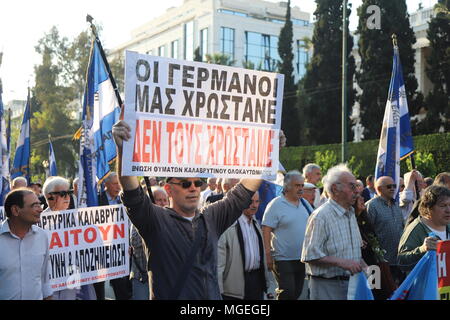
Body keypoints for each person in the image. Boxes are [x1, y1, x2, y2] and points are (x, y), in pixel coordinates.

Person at [112, 119, 262, 299]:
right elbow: (132, 193)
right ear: (168, 189)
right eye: (185, 184)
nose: (193, 188)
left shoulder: (211, 217)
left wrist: (268, 152)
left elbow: (243, 192)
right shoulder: (155, 220)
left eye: (197, 183)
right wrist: (124, 149)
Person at [301, 164, 364, 300]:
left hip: (351, 285)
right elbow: (310, 255)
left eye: (357, 187)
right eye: (352, 186)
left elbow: (353, 249)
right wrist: (342, 262)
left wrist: (364, 266)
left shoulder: (351, 213)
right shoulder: (321, 216)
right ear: (335, 189)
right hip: (327, 286)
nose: (357, 191)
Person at [262, 171, 312, 300]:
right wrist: (267, 254)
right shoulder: (276, 205)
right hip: (282, 258)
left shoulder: (305, 204)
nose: (301, 189)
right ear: (287, 186)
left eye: (302, 185)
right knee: (287, 292)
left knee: (297, 292)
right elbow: (266, 229)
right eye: (297, 185)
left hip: (301, 258)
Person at [218, 192, 272, 300]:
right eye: (251, 201)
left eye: (257, 201)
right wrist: (218, 292)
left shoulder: (255, 224)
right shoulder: (229, 226)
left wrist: (267, 286)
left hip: (256, 282)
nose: (255, 205)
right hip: (234, 287)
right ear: (240, 202)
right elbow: (219, 265)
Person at [0, 188, 53, 300]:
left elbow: (45, 281)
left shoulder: (42, 236)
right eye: (34, 205)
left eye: (40, 205)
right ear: (15, 210)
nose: (40, 210)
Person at [42, 176, 85, 300]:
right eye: (63, 193)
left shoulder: (78, 219)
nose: (68, 197)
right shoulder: (37, 223)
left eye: (69, 193)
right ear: (50, 196)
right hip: (50, 283)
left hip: (74, 282)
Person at [353, 194, 396, 300]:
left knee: (377, 292)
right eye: (358, 198)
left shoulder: (365, 220)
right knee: (366, 292)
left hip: (374, 263)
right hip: (361, 264)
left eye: (362, 197)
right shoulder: (350, 221)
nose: (362, 199)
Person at [398, 185, 450, 272]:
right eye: (442, 205)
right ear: (429, 208)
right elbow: (401, 263)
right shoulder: (415, 230)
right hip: (426, 285)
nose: (448, 210)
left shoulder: (448, 224)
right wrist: (422, 249)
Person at [98, 172, 132, 300]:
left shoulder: (125, 200)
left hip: (121, 249)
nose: (118, 186)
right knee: (99, 285)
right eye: (115, 183)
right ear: (106, 184)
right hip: (102, 248)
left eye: (119, 183)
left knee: (122, 285)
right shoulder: (96, 199)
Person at [365, 176, 405, 285]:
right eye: (389, 186)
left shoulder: (396, 205)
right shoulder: (371, 206)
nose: (393, 188)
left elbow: (402, 226)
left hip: (398, 259)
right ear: (379, 188)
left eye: (394, 186)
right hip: (379, 262)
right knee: (379, 292)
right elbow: (366, 232)